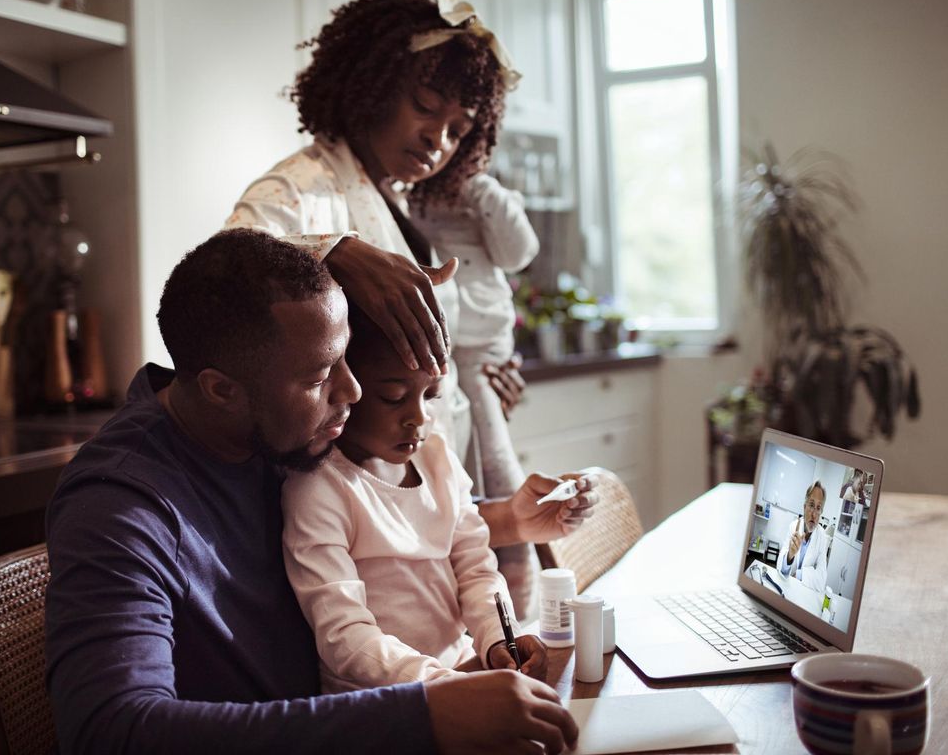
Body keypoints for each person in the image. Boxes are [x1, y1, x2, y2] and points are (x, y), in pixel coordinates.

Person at [45, 229, 581, 754]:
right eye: (320, 375)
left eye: (345, 358)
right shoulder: (119, 506)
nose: (351, 391)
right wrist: (423, 713)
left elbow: (379, 529)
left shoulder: (275, 428)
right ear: (221, 389)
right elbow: (110, 733)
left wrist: (339, 249)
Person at [226, 0, 564, 605]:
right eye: (426, 107)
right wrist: (335, 250)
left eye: (458, 130)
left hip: (422, 480)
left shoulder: (402, 203)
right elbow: (226, 265)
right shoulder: (304, 185)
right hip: (345, 508)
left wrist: (466, 377)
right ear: (369, 83)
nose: (438, 139)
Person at [283, 306, 596, 692]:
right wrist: (447, 685)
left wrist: (500, 639)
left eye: (431, 395)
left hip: (461, 671)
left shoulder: (437, 460)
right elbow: (344, 639)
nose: (418, 416)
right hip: (380, 700)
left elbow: (477, 568)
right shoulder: (319, 489)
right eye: (393, 397)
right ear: (345, 386)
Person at [410, 172, 540, 610]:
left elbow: (520, 251)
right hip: (436, 345)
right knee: (453, 471)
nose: (440, 141)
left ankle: (514, 606)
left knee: (490, 466)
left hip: (483, 350)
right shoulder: (395, 194)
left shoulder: (482, 192)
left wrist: (481, 189)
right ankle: (498, 609)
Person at [776, 481, 829, 592]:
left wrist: (799, 574)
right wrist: (790, 555)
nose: (814, 514)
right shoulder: (793, 527)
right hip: (787, 588)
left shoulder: (822, 537)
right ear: (804, 507)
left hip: (806, 593)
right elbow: (780, 566)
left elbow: (821, 580)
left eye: (818, 508)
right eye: (811, 505)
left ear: (821, 512)